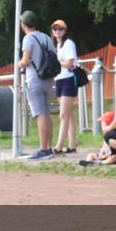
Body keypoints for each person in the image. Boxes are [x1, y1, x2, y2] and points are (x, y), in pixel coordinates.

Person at [16, 11, 55, 161]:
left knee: (40, 114)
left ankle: (43, 149)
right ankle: (49, 147)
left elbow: (25, 61)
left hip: (35, 79)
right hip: (48, 79)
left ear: (23, 24)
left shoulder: (28, 38)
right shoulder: (46, 37)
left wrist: (19, 64)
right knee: (47, 113)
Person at [51, 19, 78, 154]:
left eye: (60, 29)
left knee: (63, 114)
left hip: (68, 79)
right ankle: (72, 145)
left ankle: (59, 146)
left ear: (65, 31)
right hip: (59, 80)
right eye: (55, 29)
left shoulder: (69, 43)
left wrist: (57, 62)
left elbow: (69, 63)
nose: (57, 31)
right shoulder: (56, 45)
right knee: (69, 114)